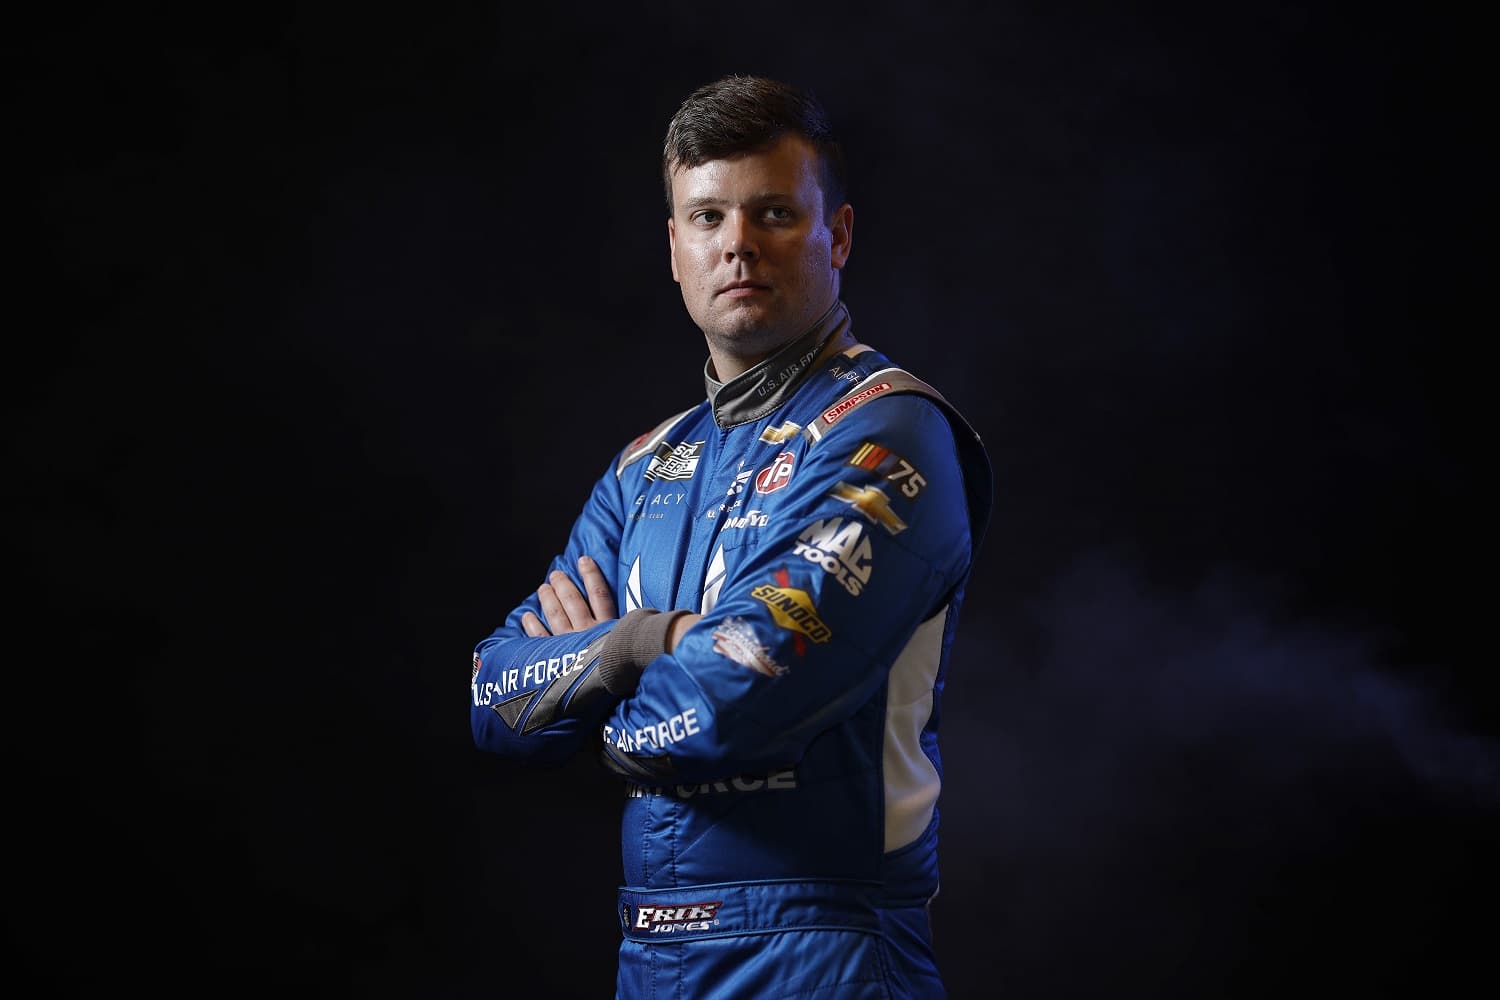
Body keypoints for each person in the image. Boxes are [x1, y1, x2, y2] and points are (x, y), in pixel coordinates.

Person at [470, 73, 993, 999]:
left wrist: (601, 668)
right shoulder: (646, 467)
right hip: (650, 956)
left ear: (837, 236)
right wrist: (648, 640)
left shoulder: (888, 430)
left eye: (776, 213)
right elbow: (495, 698)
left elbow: (740, 703)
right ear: (675, 248)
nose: (738, 245)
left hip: (825, 953)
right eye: (707, 218)